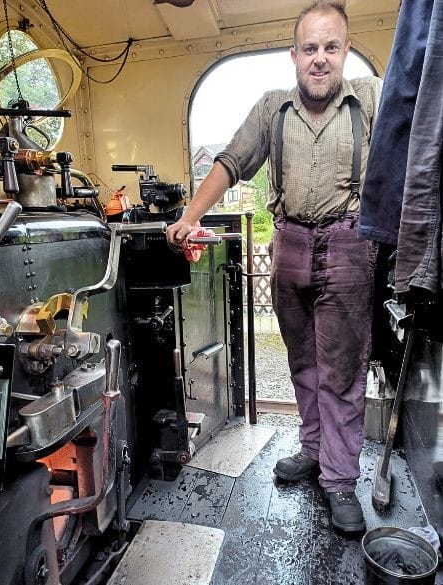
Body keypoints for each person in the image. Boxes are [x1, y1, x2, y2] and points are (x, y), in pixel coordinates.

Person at [166, 1, 382, 533]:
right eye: (310, 48)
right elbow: (230, 163)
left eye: (331, 47)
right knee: (303, 364)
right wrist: (189, 216)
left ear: (346, 51)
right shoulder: (272, 109)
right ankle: (313, 450)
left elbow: (407, 154)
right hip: (288, 244)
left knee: (342, 372)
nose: (320, 59)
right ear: (294, 55)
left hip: (350, 242)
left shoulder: (371, 99)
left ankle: (339, 481)